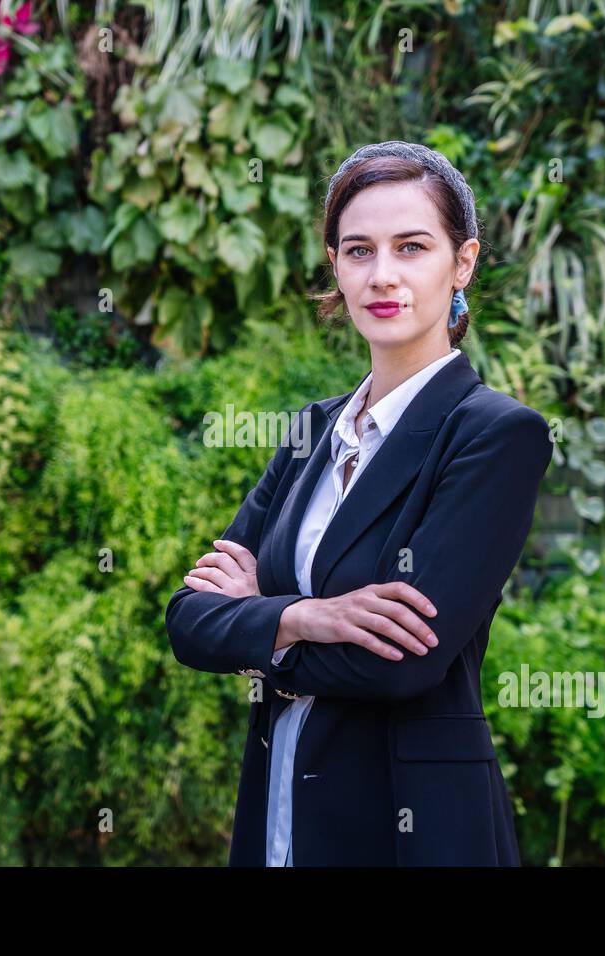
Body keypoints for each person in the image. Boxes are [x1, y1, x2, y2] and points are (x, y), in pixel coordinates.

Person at [164, 141, 553, 866]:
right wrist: (306, 616)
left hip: (411, 832)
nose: (383, 276)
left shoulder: (496, 435)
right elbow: (189, 622)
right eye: (358, 250)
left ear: (462, 262)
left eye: (412, 247)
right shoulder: (313, 431)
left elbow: (403, 664)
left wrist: (260, 630)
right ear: (335, 267)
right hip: (277, 820)